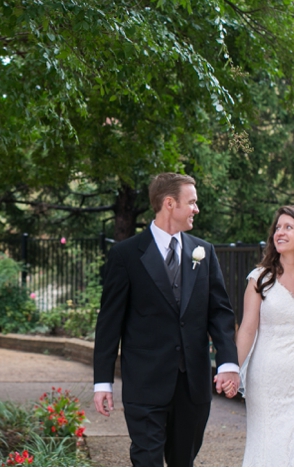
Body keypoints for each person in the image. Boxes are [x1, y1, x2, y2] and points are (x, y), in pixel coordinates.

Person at [93, 172, 240, 467]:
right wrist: (102, 382)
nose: (196, 209)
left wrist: (228, 363)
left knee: (183, 461)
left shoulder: (204, 252)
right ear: (170, 203)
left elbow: (220, 313)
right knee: (146, 458)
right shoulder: (126, 255)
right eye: (192, 202)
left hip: (193, 386)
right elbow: (110, 322)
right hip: (145, 384)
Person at [232, 204, 294, 466]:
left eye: (288, 227)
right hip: (267, 382)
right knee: (268, 449)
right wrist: (233, 370)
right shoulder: (260, 279)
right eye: (278, 228)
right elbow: (247, 329)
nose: (280, 232)